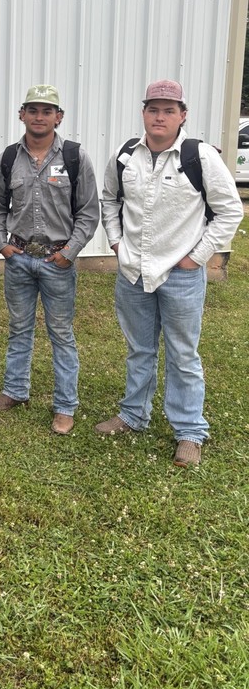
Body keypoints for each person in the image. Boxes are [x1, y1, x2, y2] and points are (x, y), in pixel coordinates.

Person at [97, 79, 243, 466]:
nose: (159, 116)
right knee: (139, 349)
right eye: (153, 109)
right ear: (144, 112)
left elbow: (230, 210)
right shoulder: (125, 156)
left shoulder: (199, 157)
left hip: (181, 275)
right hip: (133, 273)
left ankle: (190, 431)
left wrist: (197, 257)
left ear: (183, 115)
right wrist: (116, 242)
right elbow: (109, 199)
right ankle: (133, 414)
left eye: (168, 110)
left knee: (182, 355)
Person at [0, 85, 100, 434]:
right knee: (18, 328)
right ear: (21, 114)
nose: (39, 117)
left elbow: (88, 213)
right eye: (33, 110)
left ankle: (65, 407)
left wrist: (68, 253)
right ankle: (15, 391)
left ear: (58, 117)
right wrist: (2, 244)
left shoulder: (76, 158)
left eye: (47, 111)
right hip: (18, 259)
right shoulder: (8, 158)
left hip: (57, 262)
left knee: (61, 333)